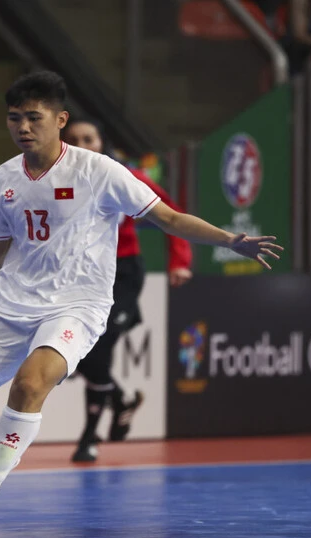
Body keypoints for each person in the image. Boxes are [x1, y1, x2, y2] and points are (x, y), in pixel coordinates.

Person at [0, 71, 282, 532]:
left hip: (77, 305)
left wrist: (229, 240)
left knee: (31, 385)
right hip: (11, 305)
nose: (23, 127)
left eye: (34, 118)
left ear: (60, 120)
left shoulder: (99, 170)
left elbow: (166, 216)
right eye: (14, 119)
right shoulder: (2, 178)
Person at [62, 117, 194, 463]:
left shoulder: (125, 177)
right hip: (77, 275)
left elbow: (172, 215)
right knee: (79, 353)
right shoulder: (54, 178)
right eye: (74, 138)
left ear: (101, 143)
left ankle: (89, 437)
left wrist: (179, 260)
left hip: (122, 272)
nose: (82, 144)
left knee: (99, 346)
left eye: (89, 138)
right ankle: (120, 400)